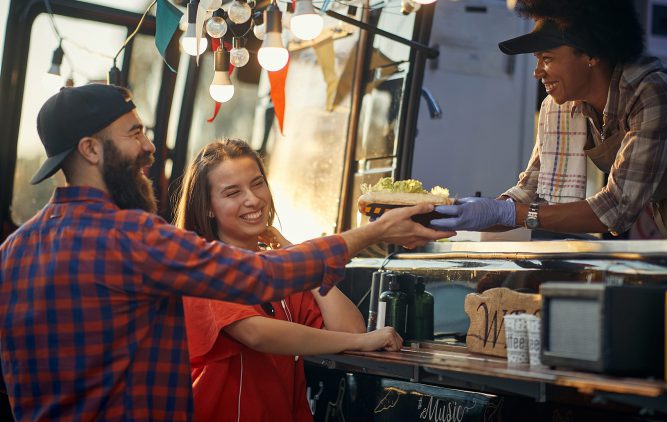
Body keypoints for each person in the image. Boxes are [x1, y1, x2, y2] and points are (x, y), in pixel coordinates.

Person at [0, 84, 453, 421]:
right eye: (134, 133)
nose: (149, 147)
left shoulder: (12, 252)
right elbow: (261, 280)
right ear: (91, 150)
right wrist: (373, 231)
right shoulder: (131, 238)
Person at [174, 139, 403, 422]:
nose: (253, 199)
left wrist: (294, 255)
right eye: (233, 192)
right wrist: (362, 341)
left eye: (257, 184)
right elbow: (256, 334)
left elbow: (349, 327)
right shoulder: (201, 265)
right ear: (208, 207)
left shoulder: (280, 272)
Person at [432, 0, 667, 239]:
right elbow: (530, 192)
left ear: (591, 54)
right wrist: (453, 214)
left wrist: (505, 213)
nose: (537, 72)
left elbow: (616, 207)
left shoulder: (651, 91)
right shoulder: (560, 107)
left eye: (547, 59)